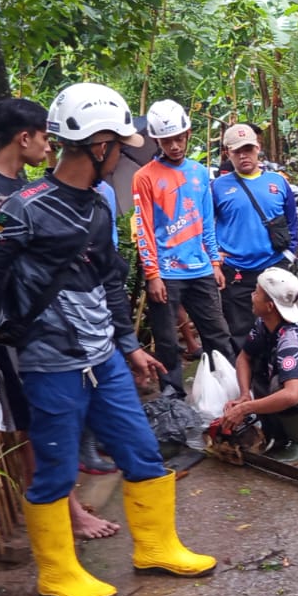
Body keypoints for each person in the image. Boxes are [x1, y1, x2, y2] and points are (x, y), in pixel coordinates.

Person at [0, 83, 216, 596]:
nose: (123, 155)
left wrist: (128, 345)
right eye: (119, 145)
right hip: (50, 364)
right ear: (99, 145)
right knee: (55, 468)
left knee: (141, 452)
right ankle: (57, 573)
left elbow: (110, 282)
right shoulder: (23, 208)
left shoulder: (98, 209)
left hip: (104, 359)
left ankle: (157, 547)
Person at [0, 98, 120, 541]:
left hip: (48, 320)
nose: (50, 149)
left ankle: (67, 500)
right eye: (46, 139)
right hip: (3, 321)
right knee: (31, 417)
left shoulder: (34, 190)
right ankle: (68, 512)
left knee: (56, 411)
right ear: (24, 137)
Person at [131, 99, 233, 392]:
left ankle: (227, 393)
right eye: (167, 140)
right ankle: (171, 399)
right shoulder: (144, 177)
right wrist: (152, 275)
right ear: (156, 140)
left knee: (218, 334)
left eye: (178, 138)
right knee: (166, 341)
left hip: (200, 269)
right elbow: (144, 228)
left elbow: (207, 223)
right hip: (166, 274)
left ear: (188, 134)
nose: (174, 146)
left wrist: (214, 262)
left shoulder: (200, 172)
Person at [221, 268, 298, 464]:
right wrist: (244, 395)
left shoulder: (290, 343)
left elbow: (291, 395)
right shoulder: (263, 325)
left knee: (280, 383)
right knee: (260, 369)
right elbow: (244, 358)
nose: (252, 296)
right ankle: (280, 434)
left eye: (256, 293)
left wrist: (245, 409)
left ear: (269, 306)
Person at [210, 123, 298, 345]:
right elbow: (205, 225)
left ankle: (282, 373)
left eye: (248, 149)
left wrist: (290, 253)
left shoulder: (277, 182)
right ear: (227, 153)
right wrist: (214, 257)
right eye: (237, 151)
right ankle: (247, 377)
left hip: (273, 265)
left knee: (280, 327)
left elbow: (292, 221)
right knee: (240, 331)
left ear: (258, 148)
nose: (244, 156)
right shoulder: (218, 187)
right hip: (236, 270)